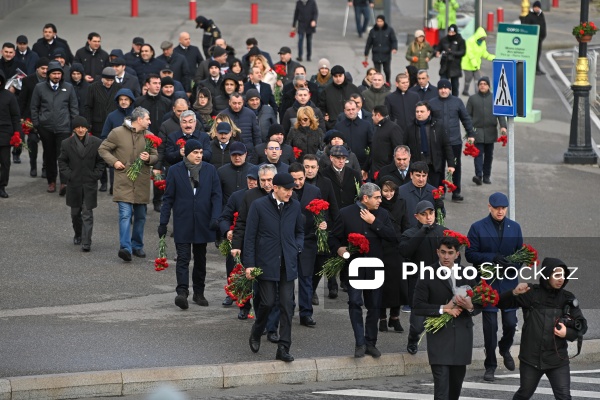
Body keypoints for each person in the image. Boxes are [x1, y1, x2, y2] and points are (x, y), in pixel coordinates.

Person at [497, 258, 587, 399]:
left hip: (557, 360)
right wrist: (513, 292)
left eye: (563, 275)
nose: (561, 279)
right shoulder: (530, 292)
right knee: (524, 394)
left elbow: (582, 325)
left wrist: (567, 333)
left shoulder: (567, 298)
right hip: (531, 359)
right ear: (546, 275)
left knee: (564, 396)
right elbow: (500, 303)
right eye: (556, 275)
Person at [330, 182, 396, 358]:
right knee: (354, 303)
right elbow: (333, 238)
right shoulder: (345, 214)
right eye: (377, 197)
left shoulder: (382, 214)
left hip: (375, 267)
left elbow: (393, 237)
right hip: (354, 267)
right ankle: (359, 342)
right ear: (365, 198)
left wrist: (374, 222)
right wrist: (339, 249)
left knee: (374, 306)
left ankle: (370, 342)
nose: (380, 200)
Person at [465, 192, 524, 382]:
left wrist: (511, 266)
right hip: (488, 285)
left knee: (511, 323)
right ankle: (490, 365)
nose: (500, 211)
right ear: (489, 207)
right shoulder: (477, 227)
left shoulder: (514, 228)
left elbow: (520, 255)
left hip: (508, 285)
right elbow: (470, 254)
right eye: (496, 208)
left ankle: (505, 348)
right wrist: (491, 258)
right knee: (490, 329)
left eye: (503, 208)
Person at [246, 172, 304, 362]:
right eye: (286, 189)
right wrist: (250, 265)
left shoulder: (295, 205)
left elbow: (299, 231)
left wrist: (296, 247)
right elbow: (250, 237)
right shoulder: (259, 206)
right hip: (266, 262)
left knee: (287, 306)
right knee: (268, 302)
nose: (290, 193)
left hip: (287, 263)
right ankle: (257, 330)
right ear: (275, 188)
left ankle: (283, 348)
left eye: (291, 189)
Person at [413, 236, 480, 400]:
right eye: (443, 252)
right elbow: (418, 306)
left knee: (455, 389)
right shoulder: (427, 273)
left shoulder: (467, 274)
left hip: (462, 339)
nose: (446, 257)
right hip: (440, 339)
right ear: (437, 252)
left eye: (450, 253)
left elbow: (480, 303)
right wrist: (445, 309)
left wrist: (470, 306)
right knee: (442, 390)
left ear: (457, 254)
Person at [159, 139, 222, 310]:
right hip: (183, 221)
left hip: (203, 222)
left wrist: (216, 217)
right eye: (195, 152)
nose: (199, 156)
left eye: (201, 153)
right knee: (183, 258)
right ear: (187, 153)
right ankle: (182, 292)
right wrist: (163, 223)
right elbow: (168, 198)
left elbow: (217, 196)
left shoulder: (210, 170)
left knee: (200, 259)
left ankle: (199, 292)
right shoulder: (175, 170)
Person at [98, 107, 158, 262]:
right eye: (147, 119)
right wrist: (114, 162)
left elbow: (155, 156)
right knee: (125, 215)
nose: (150, 122)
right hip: (123, 181)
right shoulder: (117, 133)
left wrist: (148, 158)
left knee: (140, 216)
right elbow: (103, 149)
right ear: (139, 119)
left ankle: (137, 245)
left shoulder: (150, 136)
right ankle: (125, 248)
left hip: (141, 182)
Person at [399, 199, 447, 349]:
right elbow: (405, 251)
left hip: (439, 284)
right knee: (418, 325)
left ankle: (438, 349)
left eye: (431, 213)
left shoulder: (442, 232)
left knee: (440, 321)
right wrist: (421, 232)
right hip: (419, 286)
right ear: (416, 217)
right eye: (424, 214)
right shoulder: (410, 233)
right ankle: (413, 339)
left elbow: (454, 255)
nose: (428, 217)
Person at [30, 60, 79, 195]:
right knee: (49, 155)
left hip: (63, 127)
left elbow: (73, 108)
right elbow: (34, 107)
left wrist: (75, 127)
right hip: (46, 127)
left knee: (63, 156)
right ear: (49, 74)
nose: (57, 76)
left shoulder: (68, 88)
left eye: (59, 73)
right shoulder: (39, 87)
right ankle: (51, 181)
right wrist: (37, 125)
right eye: (54, 73)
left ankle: (64, 183)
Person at [57, 116, 105, 251]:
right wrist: (69, 175)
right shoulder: (66, 143)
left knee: (87, 212)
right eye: (77, 127)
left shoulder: (96, 142)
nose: (80, 129)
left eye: (83, 127)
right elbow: (62, 161)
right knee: (75, 213)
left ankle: (86, 241)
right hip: (74, 183)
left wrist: (96, 174)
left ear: (87, 128)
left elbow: (101, 161)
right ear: (74, 129)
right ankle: (78, 233)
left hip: (89, 183)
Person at [289, 162, 324, 328]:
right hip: (288, 240)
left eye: (300, 178)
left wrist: (322, 223)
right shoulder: (285, 191)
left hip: (309, 240)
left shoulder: (314, 191)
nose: (297, 182)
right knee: (287, 278)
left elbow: (322, 213)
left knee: (306, 278)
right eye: (294, 179)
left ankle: (306, 313)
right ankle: (288, 310)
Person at [428, 79, 475, 201]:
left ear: (450, 89)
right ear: (438, 90)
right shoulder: (432, 103)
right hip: (438, 141)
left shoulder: (457, 102)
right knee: (438, 166)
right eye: (441, 88)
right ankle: (440, 190)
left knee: (455, 166)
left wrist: (471, 134)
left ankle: (456, 191)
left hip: (454, 141)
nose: (444, 90)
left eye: (446, 88)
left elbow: (465, 118)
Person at [303, 154, 340, 303]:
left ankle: (311, 290)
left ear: (318, 168)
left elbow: (333, 206)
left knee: (320, 263)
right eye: (306, 167)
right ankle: (308, 292)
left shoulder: (326, 182)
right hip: (305, 229)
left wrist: (334, 229)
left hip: (323, 229)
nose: (309, 170)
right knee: (307, 264)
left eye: (313, 167)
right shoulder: (298, 182)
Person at [377, 176, 409, 332]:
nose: (388, 194)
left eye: (392, 190)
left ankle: (394, 318)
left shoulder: (401, 203)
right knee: (382, 285)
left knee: (399, 286)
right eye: (385, 191)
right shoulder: (377, 205)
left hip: (397, 248)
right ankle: (382, 318)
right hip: (382, 249)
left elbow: (406, 225)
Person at [466, 77, 507, 186]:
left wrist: (503, 126)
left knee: (489, 155)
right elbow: (467, 115)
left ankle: (486, 176)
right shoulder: (473, 99)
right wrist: (470, 130)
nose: (482, 86)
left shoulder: (495, 98)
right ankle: (478, 175)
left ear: (489, 86)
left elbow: (500, 114)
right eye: (480, 84)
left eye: (485, 84)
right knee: (478, 154)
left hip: (490, 131)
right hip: (477, 131)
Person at [406, 101, 455, 187]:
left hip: (433, 165)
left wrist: (451, 164)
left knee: (433, 191)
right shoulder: (410, 128)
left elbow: (447, 145)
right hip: (417, 165)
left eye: (422, 111)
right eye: (417, 112)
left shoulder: (438, 126)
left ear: (428, 112)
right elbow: (405, 147)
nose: (419, 114)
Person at [18, 57, 49, 178]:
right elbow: (22, 100)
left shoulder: (51, 80)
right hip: (30, 118)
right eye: (43, 68)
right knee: (32, 142)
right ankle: (33, 166)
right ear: (37, 69)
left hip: (46, 118)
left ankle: (45, 168)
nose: (45, 71)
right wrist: (21, 116)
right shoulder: (28, 80)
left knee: (47, 144)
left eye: (47, 68)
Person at [397, 161, 442, 228]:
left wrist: (441, 208)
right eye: (418, 175)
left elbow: (440, 216)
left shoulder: (434, 191)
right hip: (408, 232)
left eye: (424, 176)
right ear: (411, 175)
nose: (421, 179)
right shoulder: (401, 191)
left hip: (429, 232)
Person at [369, 105, 406, 178]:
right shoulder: (377, 128)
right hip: (376, 171)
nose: (372, 118)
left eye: (373, 115)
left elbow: (398, 149)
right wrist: (365, 168)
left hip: (388, 172)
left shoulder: (393, 128)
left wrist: (392, 168)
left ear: (378, 115)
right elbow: (373, 150)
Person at [0, 70, 21, 199]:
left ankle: (2, 186)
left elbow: (15, 116)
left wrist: (17, 133)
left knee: (5, 163)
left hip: (4, 133)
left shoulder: (9, 96)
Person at [364, 15, 398, 85]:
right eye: (378, 21)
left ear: (383, 21)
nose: (379, 23)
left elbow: (394, 40)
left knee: (387, 70)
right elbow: (369, 43)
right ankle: (378, 83)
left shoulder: (389, 30)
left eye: (381, 21)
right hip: (376, 54)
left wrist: (394, 48)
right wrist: (366, 53)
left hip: (386, 54)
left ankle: (388, 81)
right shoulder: (373, 31)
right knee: (377, 71)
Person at [461, 27, 495, 96]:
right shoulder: (470, 41)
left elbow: (484, 53)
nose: (482, 40)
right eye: (482, 38)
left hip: (476, 64)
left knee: (478, 79)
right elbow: (469, 53)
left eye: (483, 38)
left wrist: (493, 58)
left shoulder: (482, 43)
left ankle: (478, 93)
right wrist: (474, 63)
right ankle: (465, 91)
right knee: (468, 78)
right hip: (467, 64)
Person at [435, 24, 465, 97]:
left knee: (455, 86)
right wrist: (436, 52)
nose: (451, 34)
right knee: (443, 84)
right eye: (449, 32)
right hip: (445, 66)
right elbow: (437, 48)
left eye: (453, 33)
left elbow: (462, 52)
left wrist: (452, 52)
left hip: (455, 67)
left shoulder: (460, 40)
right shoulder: (444, 40)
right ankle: (442, 98)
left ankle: (455, 100)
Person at [521, 1, 547, 75]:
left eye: (538, 7)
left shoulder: (541, 15)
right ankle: (533, 69)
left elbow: (543, 25)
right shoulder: (529, 16)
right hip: (532, 40)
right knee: (533, 54)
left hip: (540, 39)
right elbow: (527, 27)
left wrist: (543, 35)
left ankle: (537, 68)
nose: (537, 9)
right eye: (535, 7)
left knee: (538, 54)